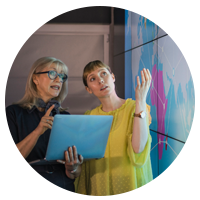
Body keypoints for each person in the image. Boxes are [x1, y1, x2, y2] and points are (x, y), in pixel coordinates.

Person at [3, 57, 83, 197]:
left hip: (62, 191)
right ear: (35, 79)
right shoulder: (13, 112)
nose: (59, 80)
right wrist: (37, 131)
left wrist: (72, 167)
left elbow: (75, 174)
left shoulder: (66, 117)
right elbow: (7, 164)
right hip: (24, 191)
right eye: (53, 73)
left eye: (62, 76)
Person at [74, 60, 155, 197]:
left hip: (131, 188)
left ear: (113, 77)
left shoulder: (137, 108)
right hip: (99, 189)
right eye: (92, 79)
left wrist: (140, 101)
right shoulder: (89, 118)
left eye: (103, 74)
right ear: (89, 89)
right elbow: (83, 164)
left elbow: (138, 148)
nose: (100, 80)